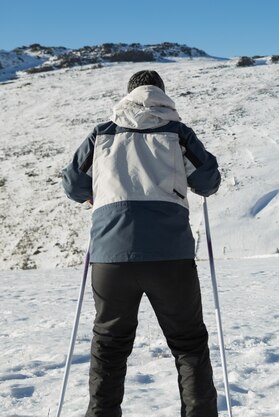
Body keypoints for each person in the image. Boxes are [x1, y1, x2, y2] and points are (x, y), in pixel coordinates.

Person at [62, 70, 222, 417]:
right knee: (189, 345)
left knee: (109, 346)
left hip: (111, 256)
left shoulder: (101, 134)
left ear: (128, 95)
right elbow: (208, 181)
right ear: (162, 95)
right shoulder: (178, 134)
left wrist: (96, 193)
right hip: (170, 257)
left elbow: (73, 185)